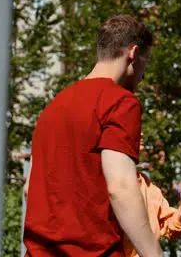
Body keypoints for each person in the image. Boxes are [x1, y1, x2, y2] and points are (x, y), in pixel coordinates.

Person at [23, 15, 162, 257]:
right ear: (133, 53)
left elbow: (29, 187)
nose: (142, 77)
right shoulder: (120, 101)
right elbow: (121, 187)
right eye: (145, 65)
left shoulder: (53, 107)